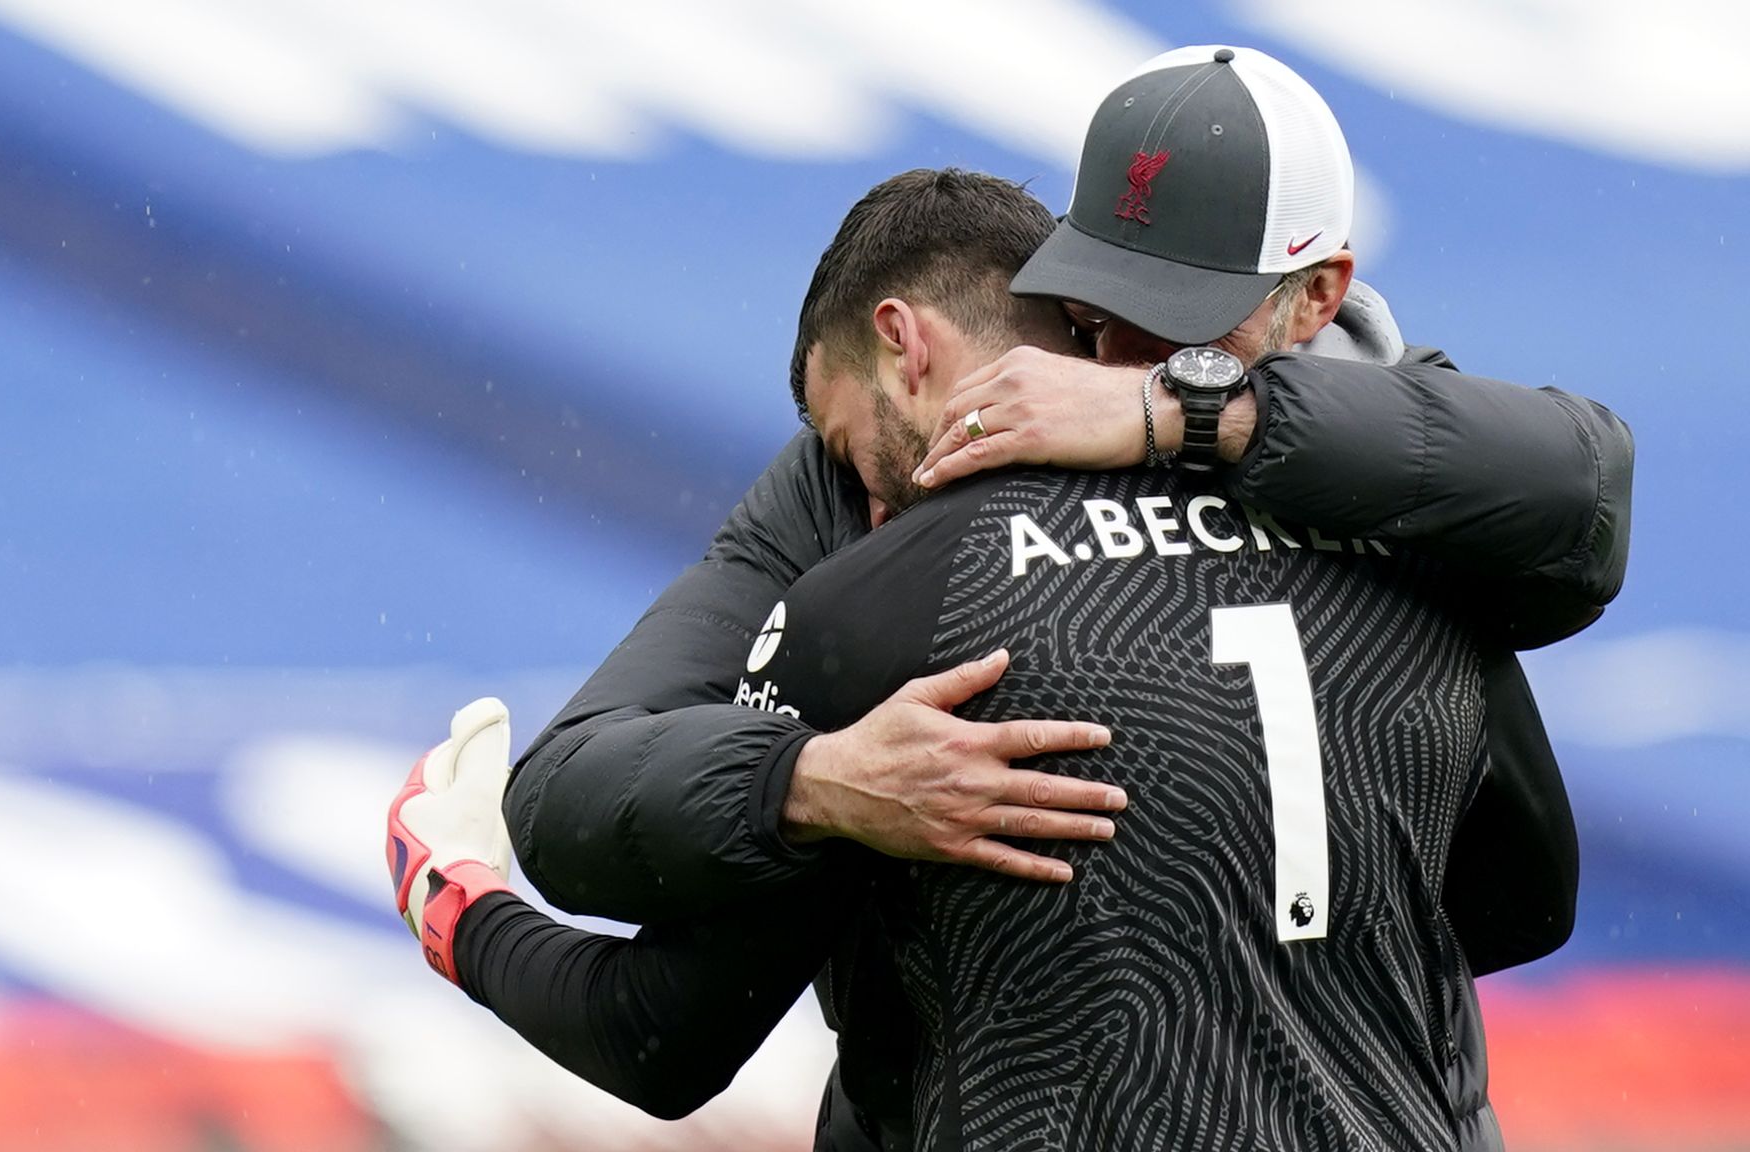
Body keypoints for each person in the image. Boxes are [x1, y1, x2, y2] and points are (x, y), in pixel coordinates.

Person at [496, 42, 1629, 1152]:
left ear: (1317, 296)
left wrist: (1182, 418)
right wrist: (813, 782)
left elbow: (659, 1029)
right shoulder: (865, 487)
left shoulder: (1414, 491)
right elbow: (1522, 900)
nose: (1123, 349)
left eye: (1186, 317)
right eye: (1100, 300)